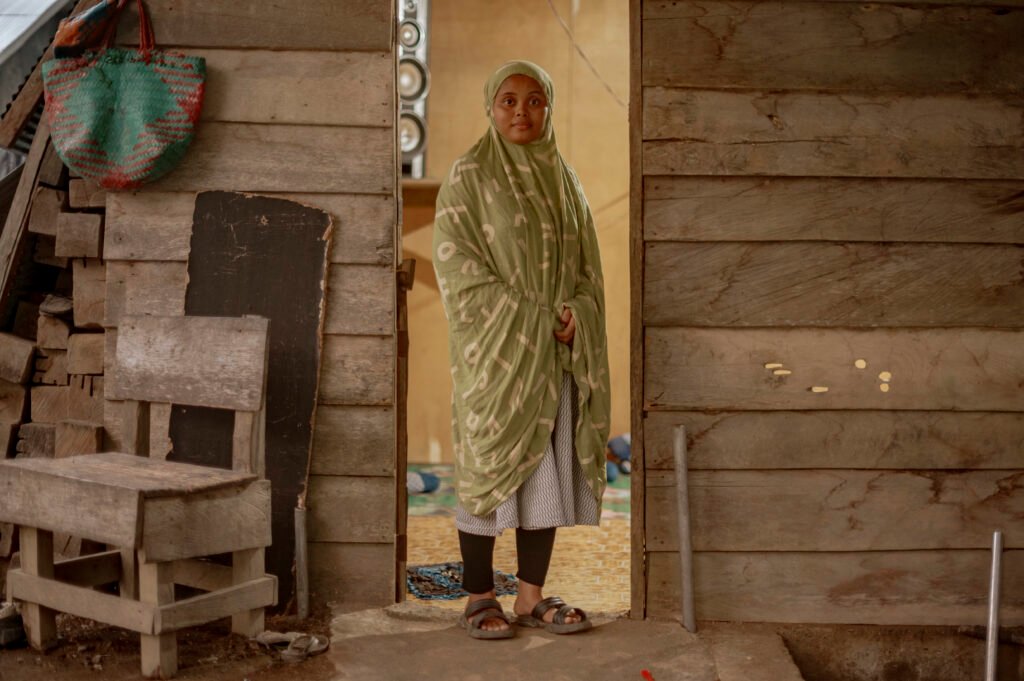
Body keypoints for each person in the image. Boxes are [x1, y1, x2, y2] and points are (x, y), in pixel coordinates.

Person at [432, 60, 611, 640]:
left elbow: (586, 270)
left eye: (535, 101)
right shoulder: (470, 177)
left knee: (547, 472)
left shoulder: (565, 180)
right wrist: (531, 316)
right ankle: (480, 596)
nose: (521, 112)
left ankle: (531, 598)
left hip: (553, 355)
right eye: (508, 100)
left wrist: (573, 314)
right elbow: (456, 267)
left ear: (548, 108)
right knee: (489, 467)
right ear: (491, 106)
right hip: (499, 355)